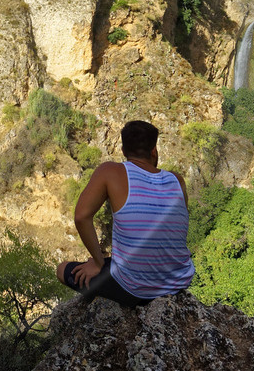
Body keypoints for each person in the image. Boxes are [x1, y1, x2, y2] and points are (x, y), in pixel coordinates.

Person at [56, 120, 194, 307]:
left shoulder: (110, 172)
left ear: (123, 150)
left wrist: (97, 263)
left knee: (63, 269)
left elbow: (81, 216)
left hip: (135, 290)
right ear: (154, 150)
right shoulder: (177, 181)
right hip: (178, 283)